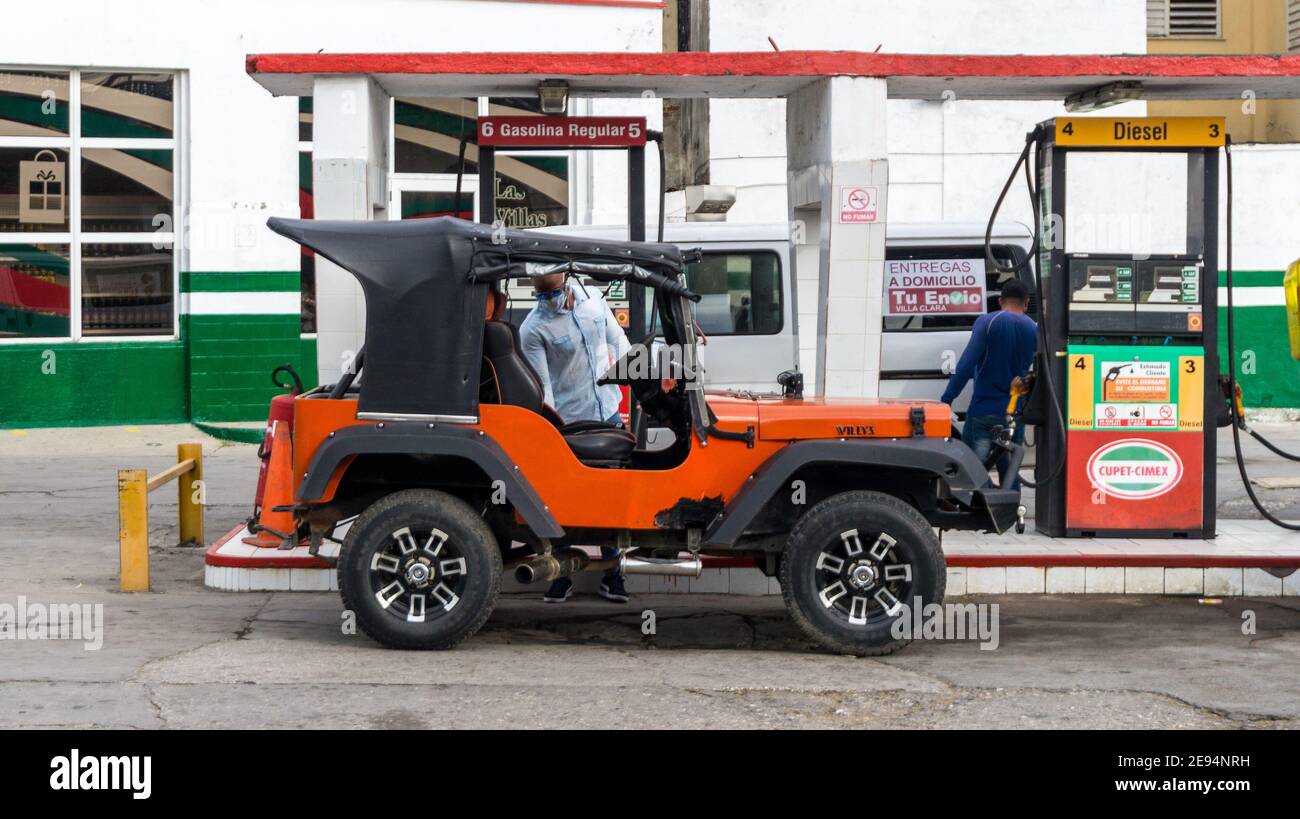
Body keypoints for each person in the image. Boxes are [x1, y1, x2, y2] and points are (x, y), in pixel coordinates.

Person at [519, 271, 632, 604]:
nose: (547, 299)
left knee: (609, 495)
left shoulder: (594, 302)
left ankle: (614, 575)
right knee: (564, 501)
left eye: (551, 291)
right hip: (569, 424)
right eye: (540, 295)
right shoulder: (533, 329)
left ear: (566, 279)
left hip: (608, 413)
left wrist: (646, 377)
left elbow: (620, 343)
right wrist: (552, 433)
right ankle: (561, 575)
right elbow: (545, 389)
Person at [940, 277, 1037, 490]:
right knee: (1010, 474)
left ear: (1001, 301)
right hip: (1014, 416)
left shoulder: (988, 322)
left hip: (983, 414)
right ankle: (1009, 515)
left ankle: (989, 506)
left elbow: (966, 364)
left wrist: (947, 399)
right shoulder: (1034, 328)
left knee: (971, 473)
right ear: (1026, 302)